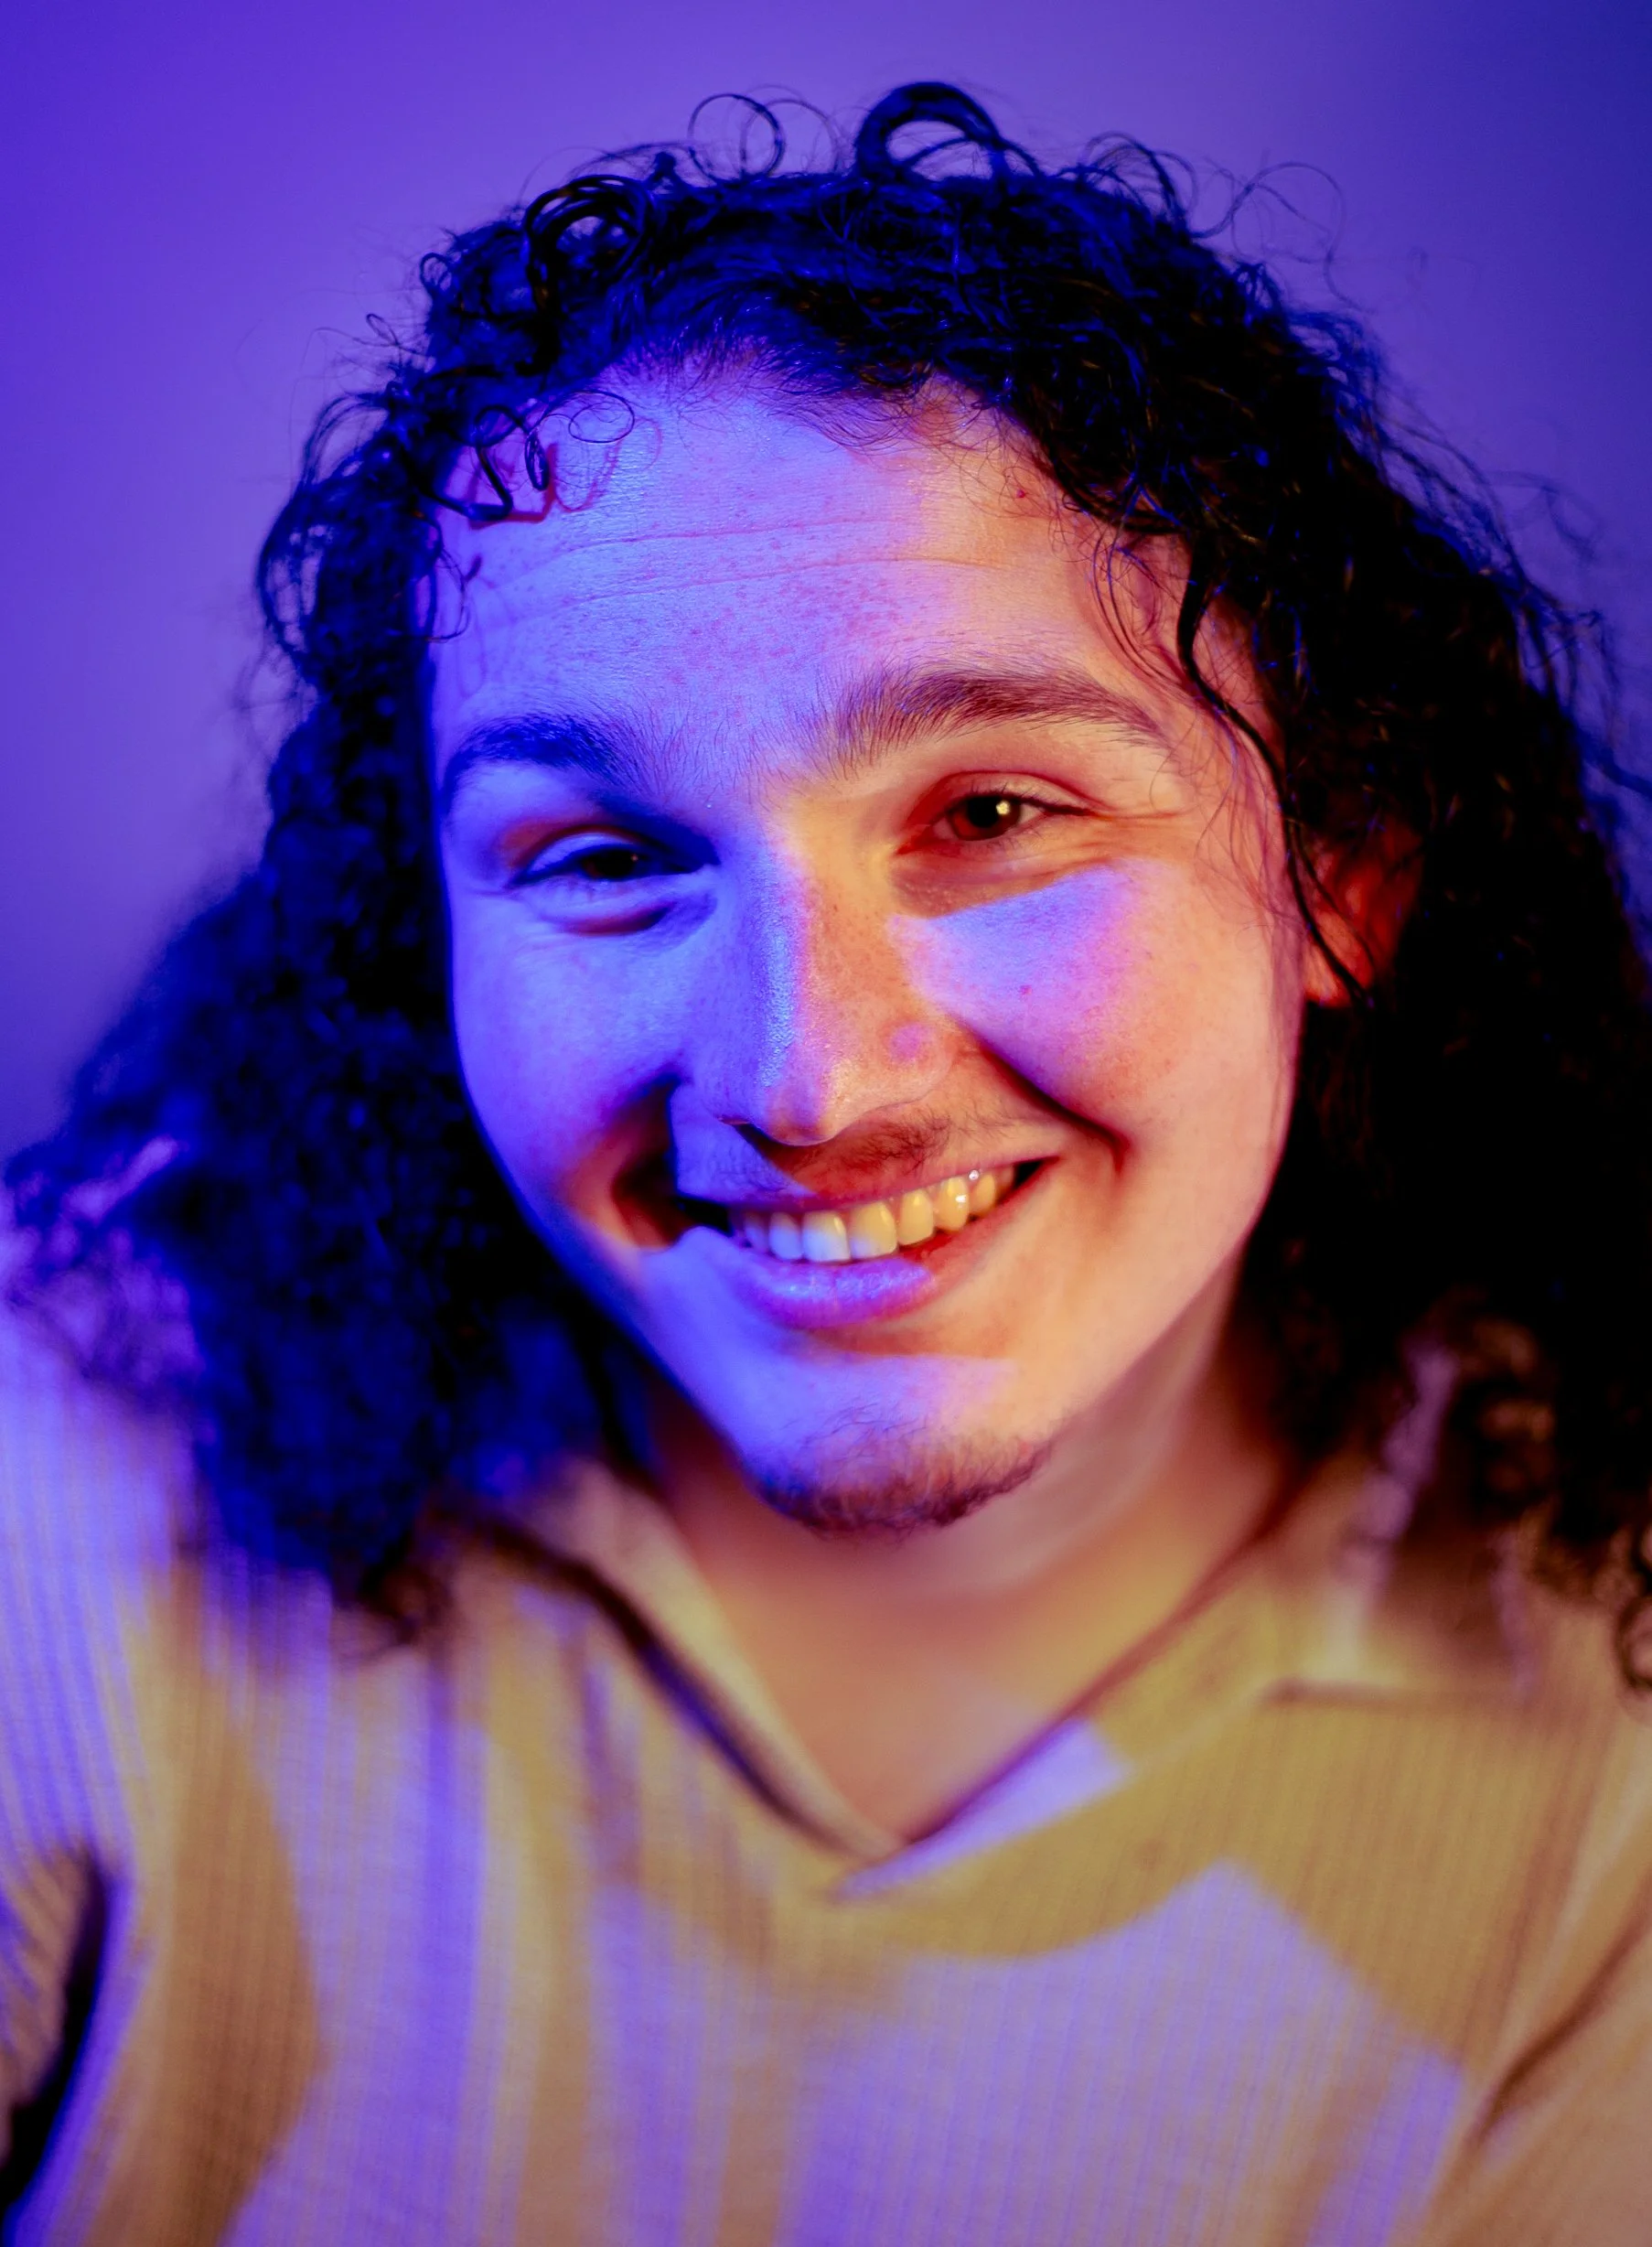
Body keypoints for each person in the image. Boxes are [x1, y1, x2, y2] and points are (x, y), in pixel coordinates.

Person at [4, 79, 1652, 2245]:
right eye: (601, 859)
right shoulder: (59, 1497)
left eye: (992, 815)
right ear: (433, 941)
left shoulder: (1607, 1719)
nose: (804, 1077)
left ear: (1342, 871)